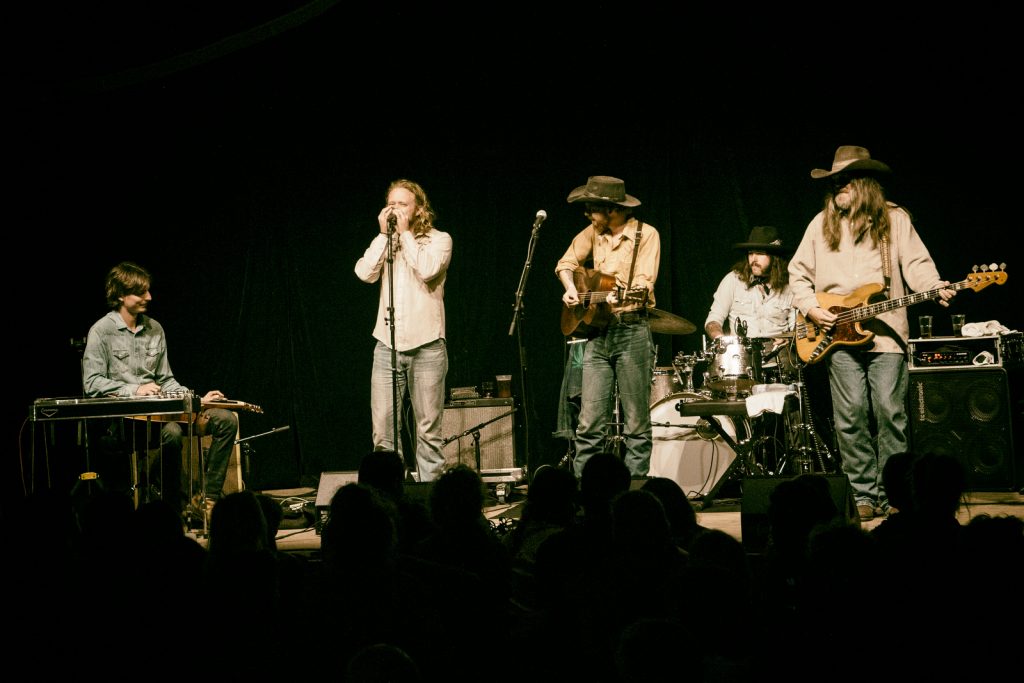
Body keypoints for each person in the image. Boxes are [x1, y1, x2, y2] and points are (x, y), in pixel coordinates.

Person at [788, 146, 955, 521]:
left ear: (865, 183)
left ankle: (896, 494)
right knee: (850, 415)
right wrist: (812, 308)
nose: (836, 188)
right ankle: (862, 494)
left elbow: (917, 264)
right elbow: (797, 273)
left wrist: (936, 285)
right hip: (835, 336)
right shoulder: (820, 224)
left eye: (843, 181)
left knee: (890, 412)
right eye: (833, 183)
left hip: (887, 334)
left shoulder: (894, 221)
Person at [82, 261, 238, 517]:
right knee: (172, 432)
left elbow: (166, 380)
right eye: (141, 292)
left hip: (163, 415)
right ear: (120, 295)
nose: (149, 297)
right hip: (127, 423)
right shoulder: (101, 331)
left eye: (148, 291)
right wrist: (136, 389)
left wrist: (195, 399)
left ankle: (206, 502)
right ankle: (170, 512)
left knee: (226, 420)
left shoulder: (155, 329)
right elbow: (92, 383)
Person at [556, 175, 660, 478]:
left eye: (592, 209)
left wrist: (622, 295)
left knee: (636, 424)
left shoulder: (646, 234)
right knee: (589, 423)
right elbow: (565, 263)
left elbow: (643, 284)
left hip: (631, 330)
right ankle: (582, 492)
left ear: (613, 209)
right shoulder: (593, 232)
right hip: (598, 334)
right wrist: (570, 289)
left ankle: (634, 491)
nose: (588, 215)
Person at [355, 179, 452, 483]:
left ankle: (430, 500)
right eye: (391, 203)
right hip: (387, 345)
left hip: (427, 347)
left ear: (419, 208)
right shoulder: (387, 241)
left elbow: (426, 270)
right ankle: (388, 496)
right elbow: (363, 273)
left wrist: (406, 234)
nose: (394, 209)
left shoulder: (439, 239)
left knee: (427, 432)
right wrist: (384, 236)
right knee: (383, 433)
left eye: (402, 204)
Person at [704, 225, 796, 385]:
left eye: (760, 254)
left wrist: (790, 338)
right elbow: (713, 320)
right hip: (741, 368)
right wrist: (723, 340)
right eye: (750, 253)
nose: (753, 259)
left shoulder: (790, 286)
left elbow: (796, 325)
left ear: (775, 258)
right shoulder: (733, 280)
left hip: (780, 366)